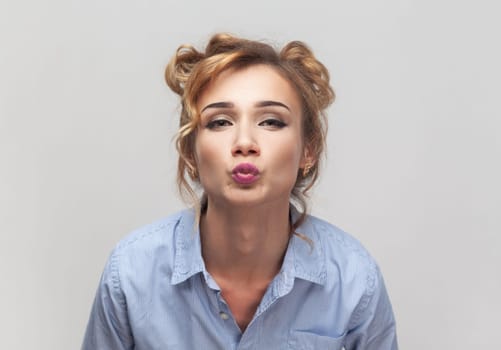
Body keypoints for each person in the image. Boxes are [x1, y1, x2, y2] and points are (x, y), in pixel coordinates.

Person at [82, 33, 398, 350]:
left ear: (308, 149)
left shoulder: (354, 279)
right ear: (190, 151)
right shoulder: (131, 273)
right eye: (220, 122)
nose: (244, 142)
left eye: (272, 121)